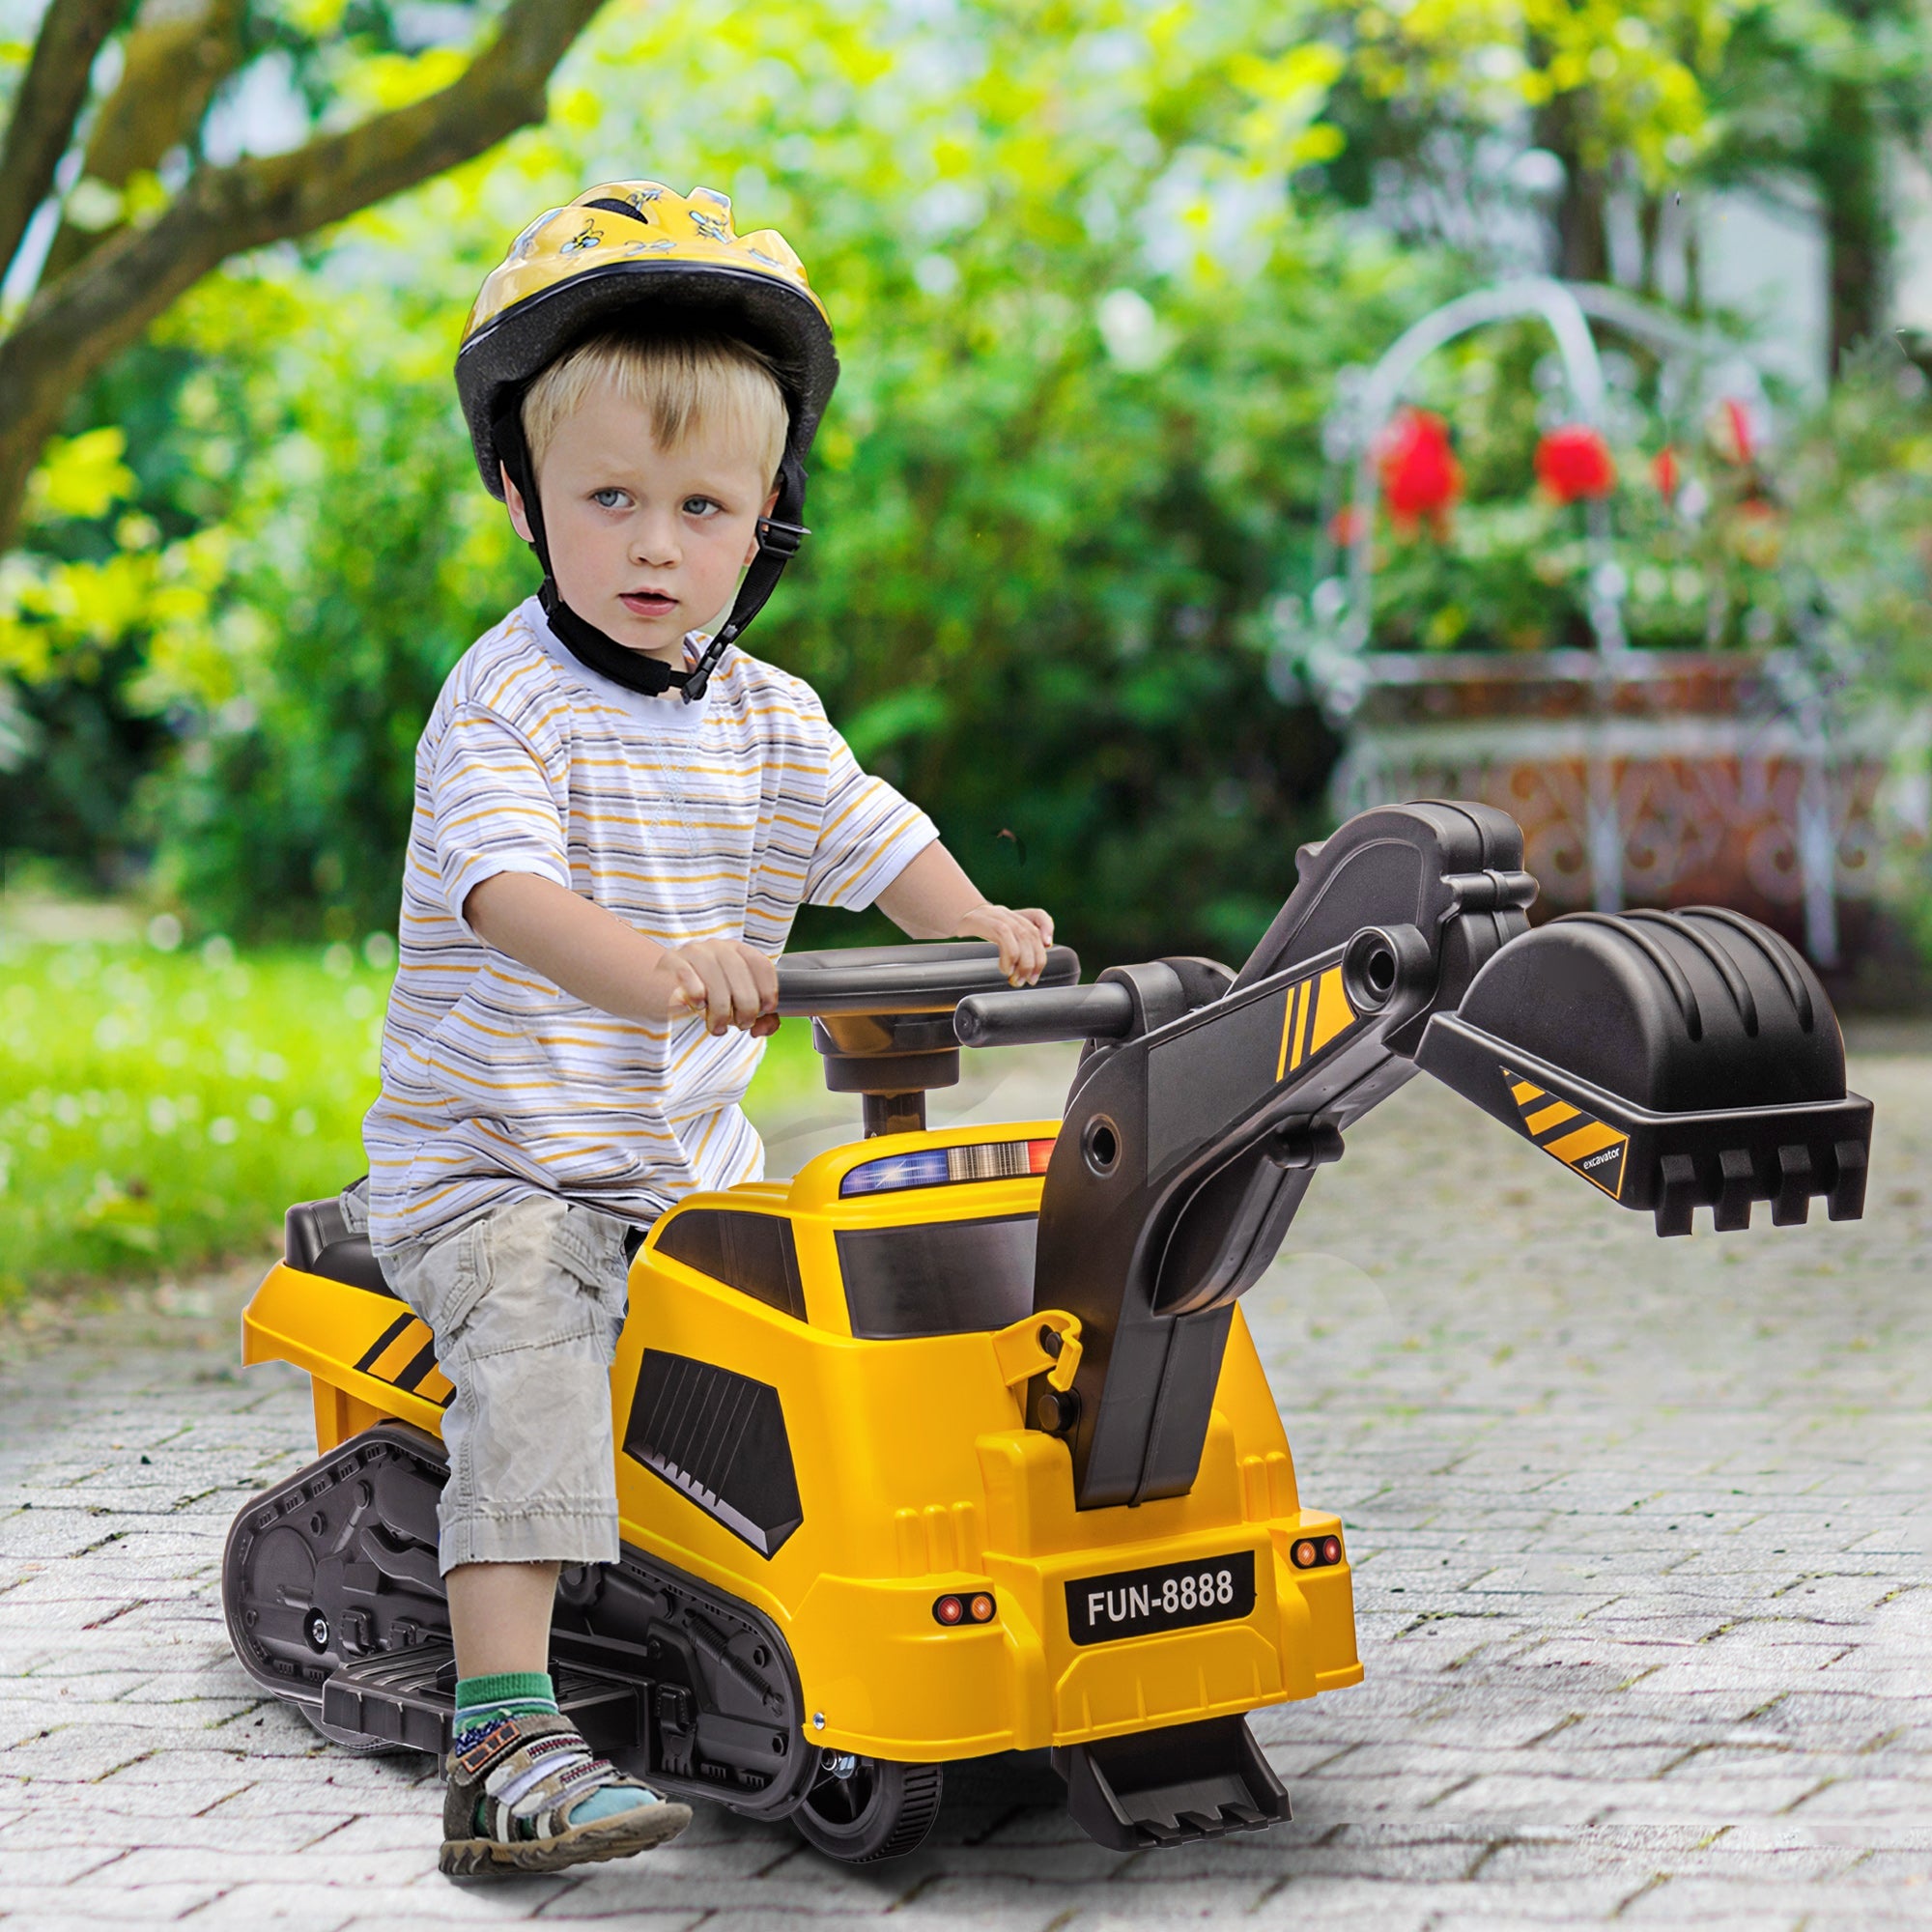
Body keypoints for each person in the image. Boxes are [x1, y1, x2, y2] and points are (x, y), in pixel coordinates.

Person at [357, 182, 1055, 1876]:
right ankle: (505, 1735)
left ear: (766, 524)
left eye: (702, 506)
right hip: (500, 1167)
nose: (656, 545)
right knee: (530, 1352)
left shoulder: (767, 715)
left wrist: (973, 921)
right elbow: (506, 898)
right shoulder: (505, 702)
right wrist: (659, 962)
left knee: (857, 1285)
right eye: (609, 500)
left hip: (682, 1167)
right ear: (524, 500)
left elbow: (873, 837)